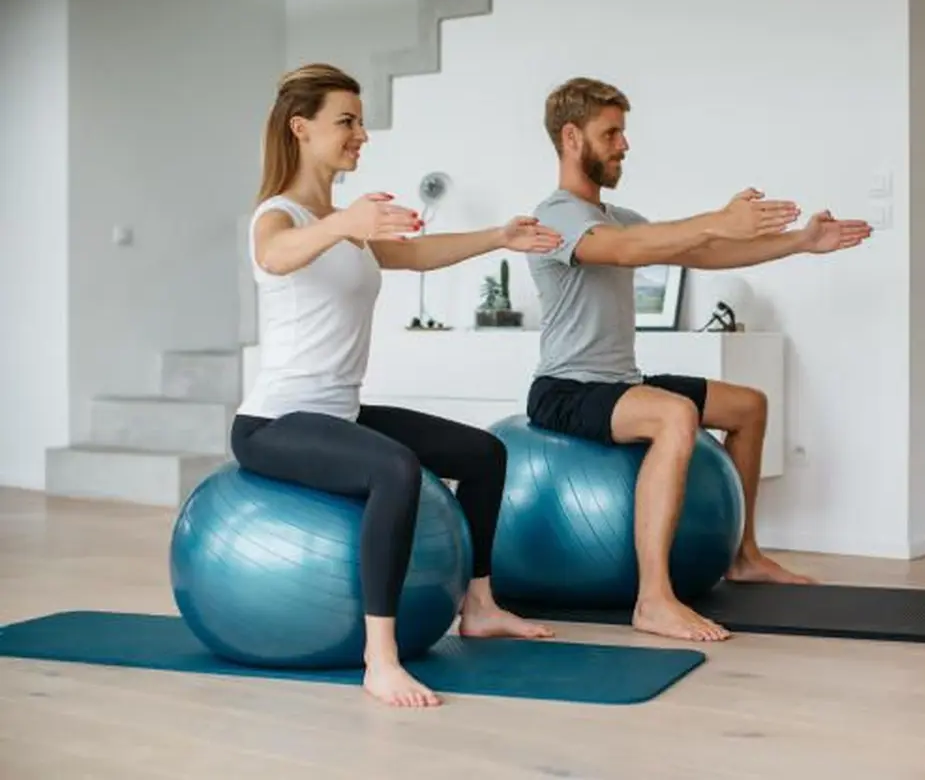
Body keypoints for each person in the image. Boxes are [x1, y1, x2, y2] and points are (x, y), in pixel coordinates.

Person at [233, 63, 560, 709]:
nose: (362, 134)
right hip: (273, 425)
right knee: (396, 469)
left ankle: (481, 605)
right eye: (346, 121)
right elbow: (275, 256)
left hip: (339, 415)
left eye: (361, 120)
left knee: (484, 454)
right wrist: (344, 223)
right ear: (302, 128)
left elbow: (414, 253)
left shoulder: (341, 222)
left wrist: (499, 236)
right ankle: (379, 660)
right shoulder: (280, 216)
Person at [526, 77, 874, 643]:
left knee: (748, 406)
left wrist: (801, 242)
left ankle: (744, 556)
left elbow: (707, 252)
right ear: (571, 138)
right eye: (610, 133)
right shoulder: (555, 216)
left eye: (623, 132)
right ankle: (653, 599)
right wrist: (716, 216)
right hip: (566, 390)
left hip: (617, 382)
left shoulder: (622, 215)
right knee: (674, 415)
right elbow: (624, 251)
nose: (624, 145)